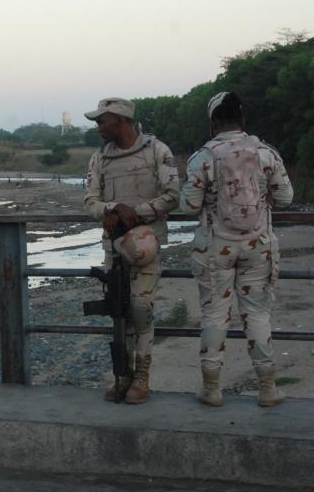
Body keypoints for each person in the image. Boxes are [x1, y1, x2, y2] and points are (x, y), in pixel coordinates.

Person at [181, 92, 294, 408]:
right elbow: (284, 198)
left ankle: (212, 388)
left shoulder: (203, 157)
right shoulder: (265, 153)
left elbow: (189, 205)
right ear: (243, 120)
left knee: (214, 315)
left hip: (216, 247)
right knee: (257, 314)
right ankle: (268, 388)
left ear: (214, 122)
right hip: (258, 246)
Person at [83, 97, 180, 404]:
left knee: (141, 308)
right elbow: (89, 200)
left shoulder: (157, 151)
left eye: (102, 121)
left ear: (120, 121)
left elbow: (172, 196)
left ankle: (142, 376)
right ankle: (123, 376)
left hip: (146, 244)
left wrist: (135, 212)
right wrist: (112, 209)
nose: (98, 126)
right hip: (114, 247)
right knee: (120, 310)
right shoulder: (100, 158)